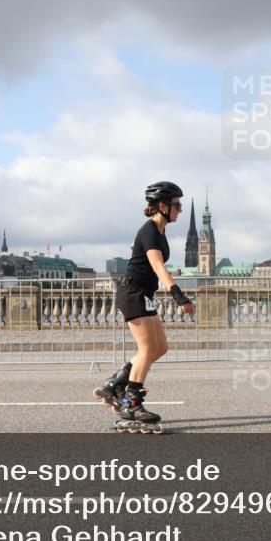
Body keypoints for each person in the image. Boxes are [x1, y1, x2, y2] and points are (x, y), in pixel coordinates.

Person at [93, 181, 195, 433]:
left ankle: (115, 383)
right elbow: (158, 266)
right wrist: (179, 295)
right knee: (148, 349)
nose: (179, 210)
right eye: (177, 205)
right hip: (133, 293)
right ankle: (131, 405)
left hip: (143, 294)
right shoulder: (149, 231)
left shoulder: (160, 231)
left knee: (160, 348)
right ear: (162, 206)